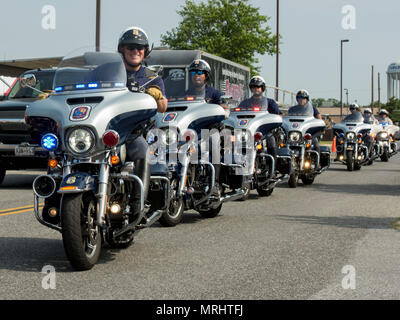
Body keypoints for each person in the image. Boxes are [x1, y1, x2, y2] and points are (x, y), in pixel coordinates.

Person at [117, 26, 167, 216]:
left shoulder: (151, 77)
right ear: (122, 49)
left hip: (133, 133)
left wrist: (157, 96)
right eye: (130, 47)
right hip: (108, 132)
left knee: (142, 151)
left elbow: (163, 107)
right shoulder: (109, 72)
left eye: (139, 48)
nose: (135, 51)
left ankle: (138, 203)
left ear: (145, 51)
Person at [237, 75, 280, 162]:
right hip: (248, 132)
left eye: (258, 86)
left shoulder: (270, 102)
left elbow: (278, 116)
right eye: (253, 87)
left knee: (271, 139)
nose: (256, 89)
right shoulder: (245, 102)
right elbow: (238, 115)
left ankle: (273, 163)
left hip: (264, 131)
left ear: (262, 88)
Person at [290, 89, 322, 161]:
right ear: (297, 99)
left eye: (303, 98)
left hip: (308, 132)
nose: (301, 100)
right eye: (299, 98)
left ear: (307, 99)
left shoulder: (313, 109)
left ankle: (317, 161)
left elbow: (319, 118)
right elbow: (288, 118)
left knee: (316, 143)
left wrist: (318, 123)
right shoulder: (293, 109)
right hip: (296, 132)